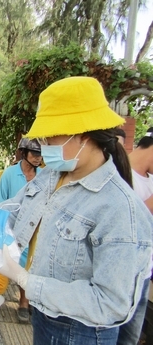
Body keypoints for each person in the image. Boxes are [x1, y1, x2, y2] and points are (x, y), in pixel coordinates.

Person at [0, 77, 153, 344]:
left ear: (84, 135)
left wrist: (24, 279)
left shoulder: (119, 208)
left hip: (82, 332)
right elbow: (10, 212)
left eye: (51, 135)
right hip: (45, 317)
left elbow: (110, 303)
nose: (44, 143)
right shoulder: (52, 176)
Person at [0, 137, 42, 322]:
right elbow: (1, 202)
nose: (38, 158)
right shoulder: (9, 174)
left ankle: (27, 300)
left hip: (38, 228)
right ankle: (19, 299)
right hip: (15, 227)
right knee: (19, 262)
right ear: (24, 153)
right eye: (34, 153)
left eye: (41, 154)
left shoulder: (44, 175)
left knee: (33, 264)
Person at [117, 129, 153, 344]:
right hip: (124, 272)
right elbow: (131, 221)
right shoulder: (122, 174)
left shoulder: (149, 179)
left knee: (130, 338)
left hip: (144, 270)